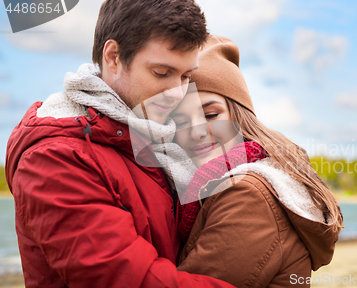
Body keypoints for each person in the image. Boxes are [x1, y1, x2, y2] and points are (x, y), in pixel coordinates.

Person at [4, 0, 235, 287]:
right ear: (113, 56)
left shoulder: (152, 135)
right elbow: (128, 278)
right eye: (161, 73)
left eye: (186, 76)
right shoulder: (54, 157)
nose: (177, 94)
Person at [169, 35, 344, 287]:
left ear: (238, 115)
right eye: (182, 122)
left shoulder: (247, 193)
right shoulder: (226, 182)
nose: (195, 131)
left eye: (210, 114)